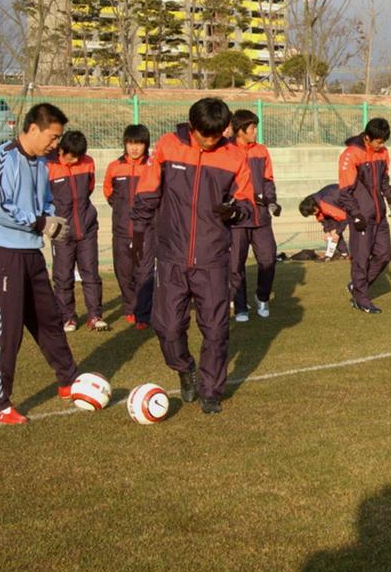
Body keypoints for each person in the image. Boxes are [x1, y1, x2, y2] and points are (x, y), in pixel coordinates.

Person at [131, 98, 255, 415]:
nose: (211, 141)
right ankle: (185, 368)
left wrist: (234, 210)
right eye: (205, 135)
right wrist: (138, 237)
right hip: (171, 255)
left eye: (217, 135)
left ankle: (211, 391)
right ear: (192, 126)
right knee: (167, 328)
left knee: (216, 330)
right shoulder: (167, 146)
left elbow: (248, 204)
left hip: (213, 258)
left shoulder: (234, 156)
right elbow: (147, 194)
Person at [0, 102, 81, 425]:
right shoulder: (2, 159)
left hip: (30, 255)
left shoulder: (40, 164)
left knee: (49, 320)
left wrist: (52, 221)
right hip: (0, 257)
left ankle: (69, 381)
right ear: (33, 129)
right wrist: (39, 223)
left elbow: (43, 202)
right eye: (52, 137)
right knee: (5, 333)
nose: (55, 145)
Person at [46, 130, 107, 332]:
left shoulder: (88, 162)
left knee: (91, 274)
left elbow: (88, 190)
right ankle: (67, 318)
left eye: (78, 156)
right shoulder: (48, 166)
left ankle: (95, 315)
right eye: (71, 156)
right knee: (63, 276)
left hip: (87, 228)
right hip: (61, 232)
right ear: (61, 150)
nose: (74, 160)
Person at [338, 117, 391, 314]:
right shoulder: (351, 154)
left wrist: (390, 200)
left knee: (384, 255)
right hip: (361, 216)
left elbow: (384, 180)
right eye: (379, 142)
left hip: (380, 215)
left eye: (384, 142)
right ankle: (360, 299)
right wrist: (355, 215)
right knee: (361, 259)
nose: (382, 146)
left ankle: (357, 286)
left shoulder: (383, 153)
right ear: (367, 138)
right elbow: (345, 191)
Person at [228, 109, 280, 323]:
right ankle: (240, 306)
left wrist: (271, 200)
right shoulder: (226, 150)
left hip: (260, 217)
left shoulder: (262, 151)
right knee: (235, 264)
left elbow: (268, 179)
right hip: (237, 217)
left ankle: (262, 297)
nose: (256, 131)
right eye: (252, 127)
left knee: (268, 259)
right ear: (240, 130)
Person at [103, 124, 155, 330]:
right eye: (131, 143)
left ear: (146, 145)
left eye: (139, 143)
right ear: (125, 144)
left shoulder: (152, 166)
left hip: (147, 230)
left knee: (145, 272)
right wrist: (121, 210)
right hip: (122, 230)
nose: (134, 148)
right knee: (124, 272)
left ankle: (143, 314)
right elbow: (108, 191)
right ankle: (130, 308)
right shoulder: (114, 167)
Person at [299, 184, 350, 260]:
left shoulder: (326, 203)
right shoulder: (313, 202)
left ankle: (364, 253)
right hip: (334, 204)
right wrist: (327, 231)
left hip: (351, 202)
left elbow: (345, 218)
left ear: (314, 207)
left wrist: (338, 232)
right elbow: (322, 219)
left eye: (313, 213)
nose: (313, 214)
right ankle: (343, 253)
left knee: (336, 232)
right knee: (332, 231)